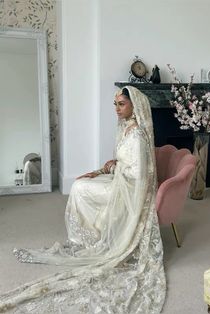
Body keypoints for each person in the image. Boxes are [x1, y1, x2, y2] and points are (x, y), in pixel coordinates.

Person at [0, 86, 166, 313]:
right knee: (81, 184)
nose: (117, 109)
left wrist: (114, 174)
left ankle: (88, 239)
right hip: (117, 181)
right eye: (115, 104)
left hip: (127, 192)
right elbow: (123, 162)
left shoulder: (137, 135)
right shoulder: (127, 128)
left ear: (134, 106)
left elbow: (139, 176)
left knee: (79, 188)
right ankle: (90, 237)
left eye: (122, 104)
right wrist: (99, 171)